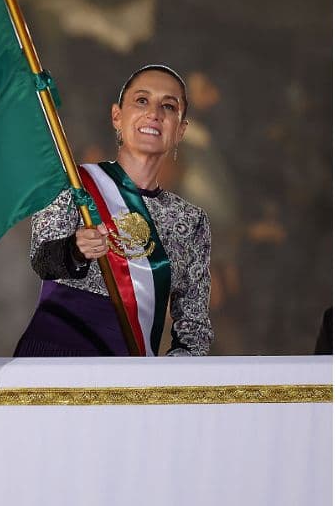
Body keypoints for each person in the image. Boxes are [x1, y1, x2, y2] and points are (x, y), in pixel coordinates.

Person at [15, 65, 213, 357]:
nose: (154, 113)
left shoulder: (191, 221)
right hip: (54, 363)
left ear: (180, 130)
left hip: (129, 373)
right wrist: (75, 250)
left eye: (168, 106)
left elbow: (194, 332)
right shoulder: (74, 184)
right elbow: (43, 261)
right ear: (117, 116)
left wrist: (167, 379)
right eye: (142, 101)